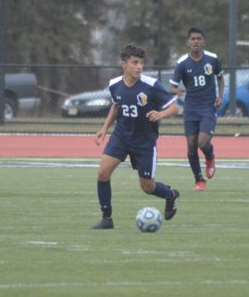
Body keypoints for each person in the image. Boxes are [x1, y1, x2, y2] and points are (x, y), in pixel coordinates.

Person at [92, 44, 180, 230]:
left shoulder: (151, 85)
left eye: (140, 63)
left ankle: (171, 195)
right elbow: (116, 105)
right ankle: (107, 219)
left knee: (147, 187)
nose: (139, 67)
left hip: (144, 140)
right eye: (134, 63)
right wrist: (104, 128)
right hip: (121, 135)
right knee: (103, 173)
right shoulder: (114, 84)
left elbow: (174, 108)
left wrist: (160, 114)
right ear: (123, 64)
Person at [170, 27, 224, 192]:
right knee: (191, 145)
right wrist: (177, 90)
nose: (196, 42)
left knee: (203, 142)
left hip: (208, 107)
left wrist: (220, 96)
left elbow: (220, 77)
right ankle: (199, 180)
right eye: (193, 39)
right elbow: (171, 87)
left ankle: (210, 156)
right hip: (190, 108)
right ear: (188, 42)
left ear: (203, 42)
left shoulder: (212, 59)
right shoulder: (182, 63)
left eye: (199, 39)